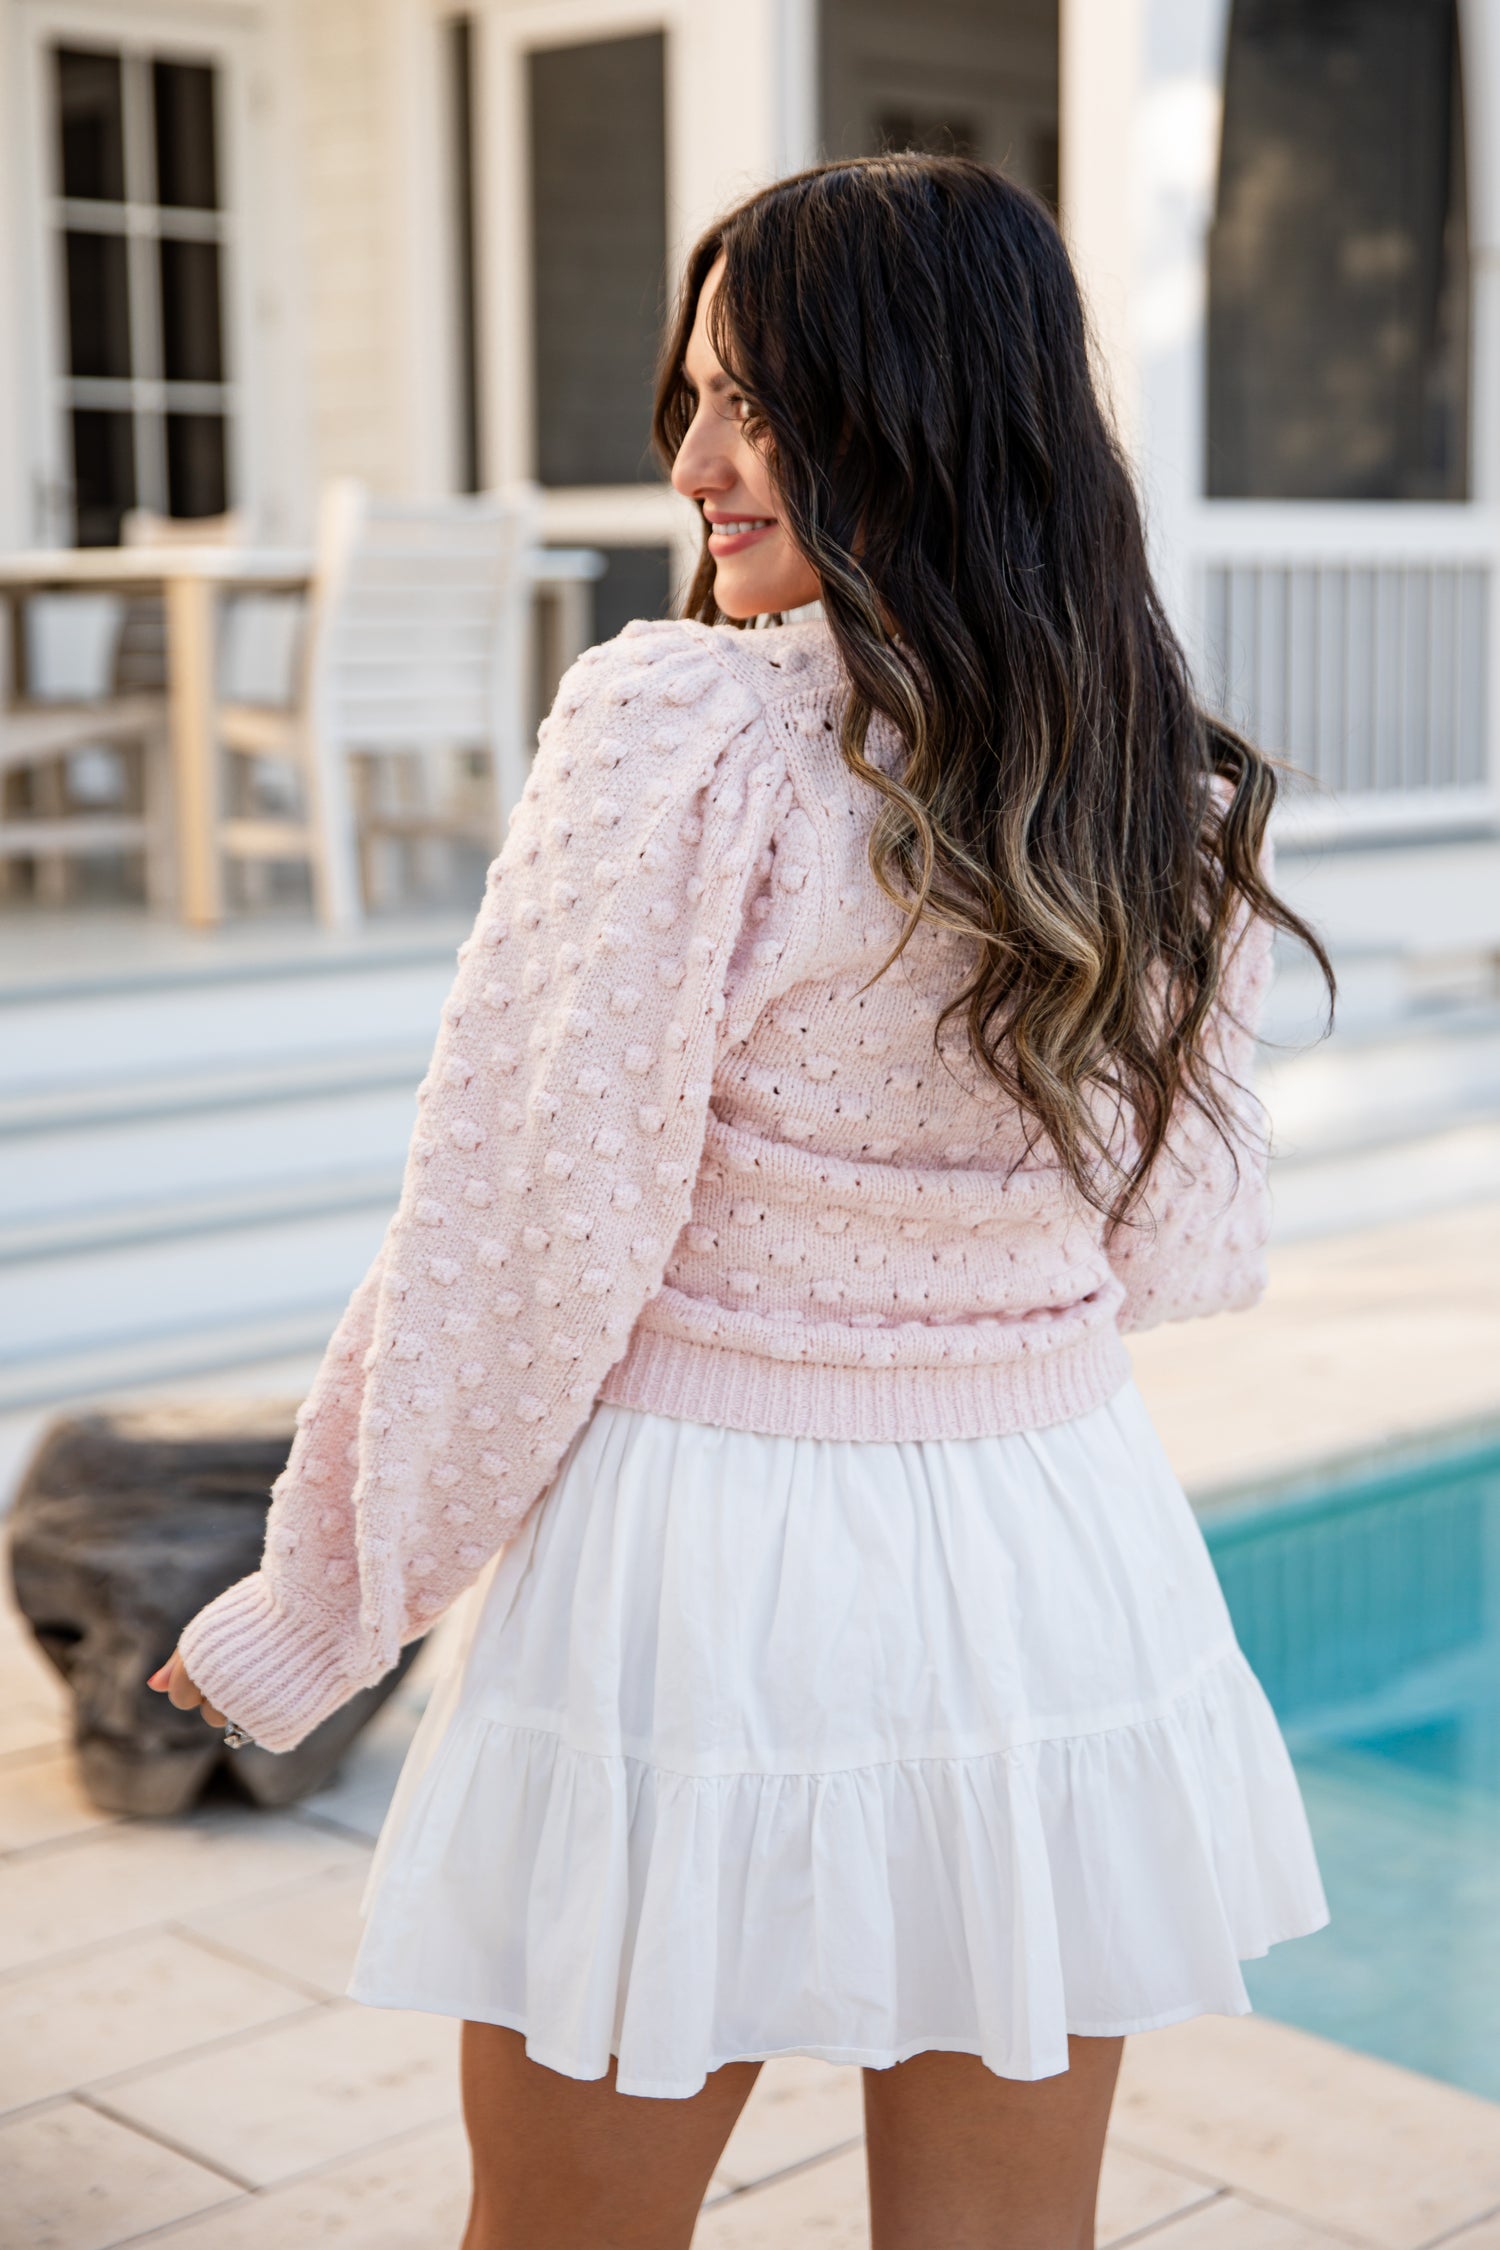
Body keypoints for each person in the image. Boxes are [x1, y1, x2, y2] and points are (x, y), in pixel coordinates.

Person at [150, 155, 1331, 2250]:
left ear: (923, 413)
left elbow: (520, 1232)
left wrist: (325, 1594)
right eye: (690, 397)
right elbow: (1180, 1255)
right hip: (1057, 1552)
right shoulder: (1161, 778)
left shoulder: (678, 728)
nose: (693, 460)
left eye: (756, 402)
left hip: (705, 1567)